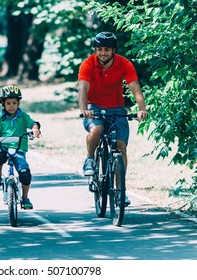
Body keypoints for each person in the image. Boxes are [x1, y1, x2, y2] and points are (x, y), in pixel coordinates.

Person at [78, 31, 148, 206]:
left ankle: (120, 191)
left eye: (106, 49)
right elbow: (82, 89)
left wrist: (141, 109)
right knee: (97, 129)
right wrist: (84, 109)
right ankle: (89, 158)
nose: (103, 53)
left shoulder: (124, 64)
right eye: (99, 49)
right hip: (93, 107)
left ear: (113, 50)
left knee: (121, 146)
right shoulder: (88, 64)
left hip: (116, 108)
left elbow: (135, 88)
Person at [0, 86, 41, 210]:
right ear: (3, 104)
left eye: (14, 103)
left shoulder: (23, 116)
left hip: (19, 149)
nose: (11, 106)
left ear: (19, 103)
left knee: (25, 174)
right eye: (8, 103)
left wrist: (35, 129)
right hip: (4, 147)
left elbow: (33, 123)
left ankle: (25, 198)